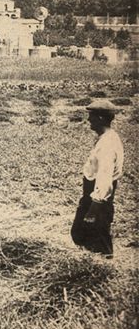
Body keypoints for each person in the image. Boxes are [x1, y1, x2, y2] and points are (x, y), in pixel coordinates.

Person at [70, 99, 124, 258]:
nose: (88, 120)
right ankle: (93, 264)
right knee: (81, 232)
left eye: (91, 116)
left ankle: (102, 269)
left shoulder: (107, 144)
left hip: (98, 196)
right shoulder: (107, 137)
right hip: (93, 193)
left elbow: (104, 179)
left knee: (96, 234)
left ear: (100, 118)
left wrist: (94, 207)